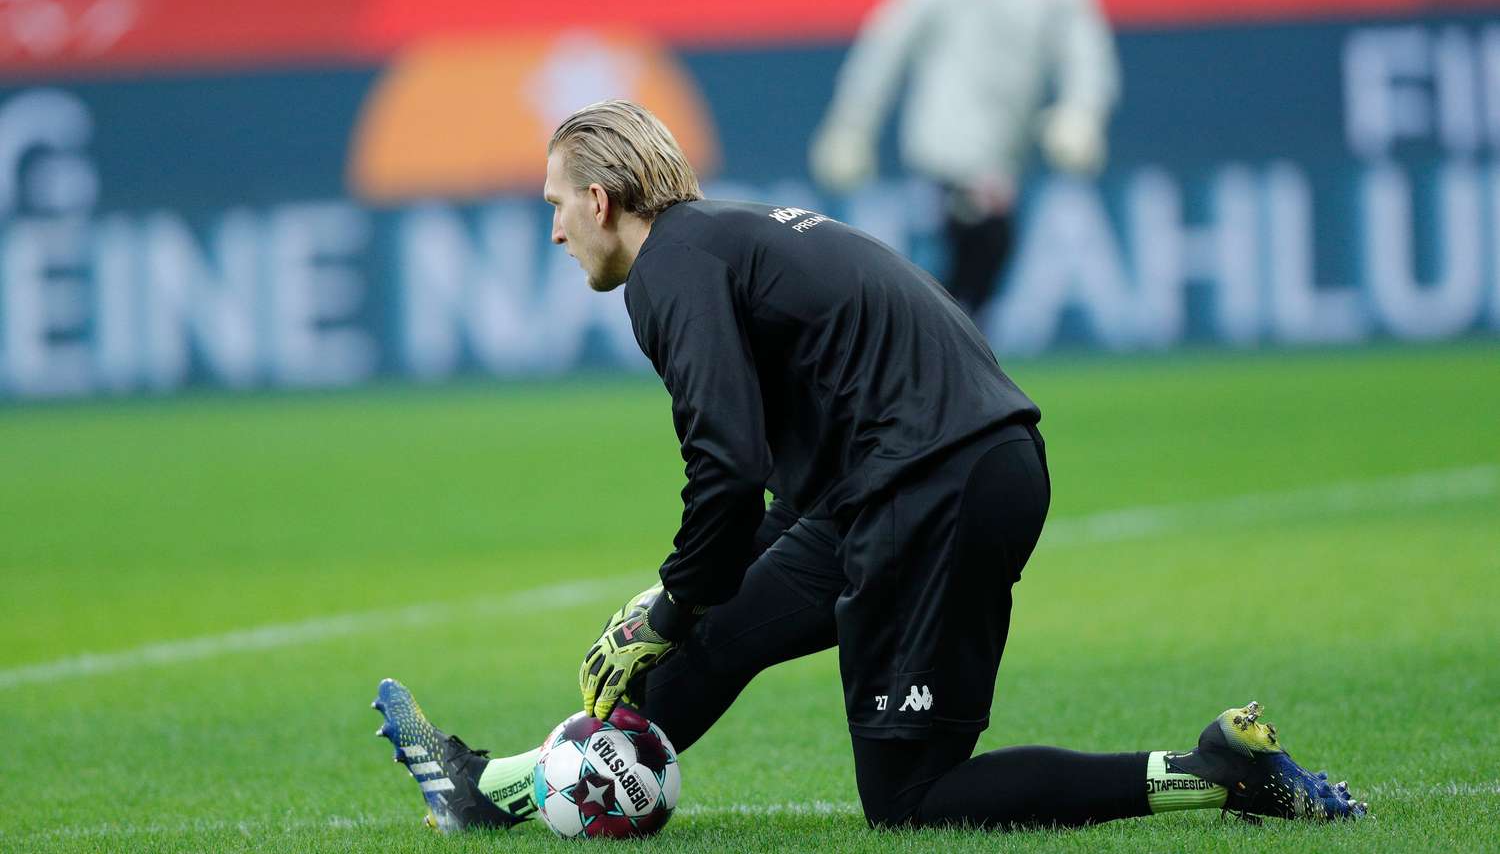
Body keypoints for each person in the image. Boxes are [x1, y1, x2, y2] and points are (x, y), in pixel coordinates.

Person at [371, 100, 1365, 832]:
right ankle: (493, 792)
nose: (554, 230)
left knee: (912, 798)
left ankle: (1213, 771)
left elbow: (726, 465)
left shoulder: (671, 269)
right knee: (718, 635)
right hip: (927, 474)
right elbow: (776, 488)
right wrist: (675, 607)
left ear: (599, 199)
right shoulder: (724, 239)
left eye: (556, 206)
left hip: (933, 486)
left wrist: (669, 604)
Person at [809, 0, 1119, 319]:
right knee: (979, 242)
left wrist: (1082, 114)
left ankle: (937, 345)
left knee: (982, 264)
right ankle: (936, 344)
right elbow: (884, 53)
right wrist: (851, 126)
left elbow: (1088, 58)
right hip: (945, 147)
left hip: (1006, 152)